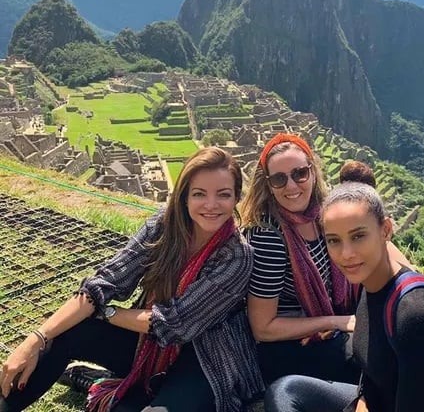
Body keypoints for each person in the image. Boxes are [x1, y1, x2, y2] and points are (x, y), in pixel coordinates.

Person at [0, 147, 263, 412]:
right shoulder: (163, 227)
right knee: (62, 333)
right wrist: (34, 340)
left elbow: (173, 324)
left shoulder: (237, 256)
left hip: (206, 358)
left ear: (236, 198)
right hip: (147, 344)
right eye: (199, 194)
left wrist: (108, 312)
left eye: (223, 195)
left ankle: (97, 381)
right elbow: (104, 283)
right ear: (184, 197)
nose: (210, 205)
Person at [264, 182, 424, 412]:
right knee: (286, 392)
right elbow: (373, 379)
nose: (346, 254)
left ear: (385, 230)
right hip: (383, 401)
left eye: (358, 236)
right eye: (334, 240)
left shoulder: (415, 314)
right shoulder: (370, 289)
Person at [240, 133, 359, 385]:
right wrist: (333, 322)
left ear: (313, 173)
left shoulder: (322, 216)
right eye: (279, 179)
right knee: (377, 356)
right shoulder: (269, 235)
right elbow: (263, 327)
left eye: (299, 174)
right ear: (268, 185)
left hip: (324, 333)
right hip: (288, 349)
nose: (291, 186)